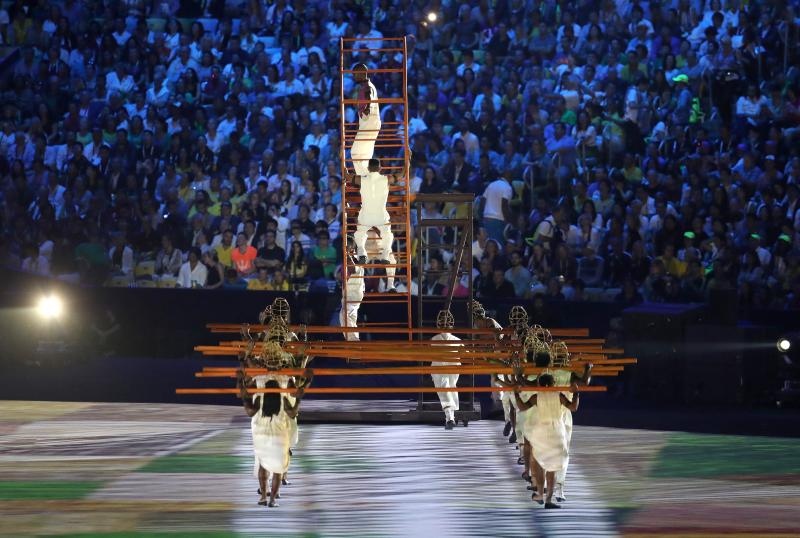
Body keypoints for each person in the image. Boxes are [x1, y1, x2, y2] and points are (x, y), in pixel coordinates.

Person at [238, 363, 312, 508]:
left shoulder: (258, 380)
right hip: (278, 432)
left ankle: (263, 497)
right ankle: (272, 499)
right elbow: (292, 412)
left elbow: (249, 410)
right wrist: (299, 397)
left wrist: (241, 385)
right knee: (279, 468)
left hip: (262, 430)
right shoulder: (285, 380)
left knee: (263, 464)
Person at [514, 374, 579, 509]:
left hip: (541, 432)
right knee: (553, 467)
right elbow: (573, 408)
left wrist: (516, 394)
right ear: (554, 383)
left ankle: (539, 494)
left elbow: (522, 407)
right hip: (557, 432)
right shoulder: (559, 395)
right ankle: (549, 499)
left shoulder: (536, 397)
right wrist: (576, 393)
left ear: (539, 384)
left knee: (541, 465)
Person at [346, 158, 402, 265]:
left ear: (368, 168)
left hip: (365, 215)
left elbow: (347, 176)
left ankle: (362, 252)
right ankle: (385, 254)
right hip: (381, 215)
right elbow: (401, 175)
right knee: (387, 234)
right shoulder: (387, 179)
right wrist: (407, 165)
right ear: (380, 168)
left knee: (360, 233)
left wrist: (343, 167)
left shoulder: (361, 180)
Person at [431, 309, 461, 429]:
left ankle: (450, 418)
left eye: (446, 322)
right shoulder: (434, 340)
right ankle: (450, 418)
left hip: (452, 370)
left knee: (450, 389)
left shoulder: (457, 341)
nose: (444, 324)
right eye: (442, 322)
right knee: (445, 389)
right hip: (439, 369)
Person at [350, 63, 381, 176]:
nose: (354, 77)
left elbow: (368, 99)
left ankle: (365, 179)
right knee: (365, 155)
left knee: (355, 153)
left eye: (355, 74)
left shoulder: (367, 87)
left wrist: (365, 110)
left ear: (361, 73)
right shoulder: (368, 86)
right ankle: (367, 178)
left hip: (369, 123)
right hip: (370, 123)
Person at [340, 239, 364, 341]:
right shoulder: (348, 258)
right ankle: (351, 339)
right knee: (346, 315)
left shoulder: (355, 258)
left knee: (347, 314)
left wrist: (347, 254)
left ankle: (353, 340)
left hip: (354, 292)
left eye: (345, 246)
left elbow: (353, 269)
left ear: (350, 248)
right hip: (350, 292)